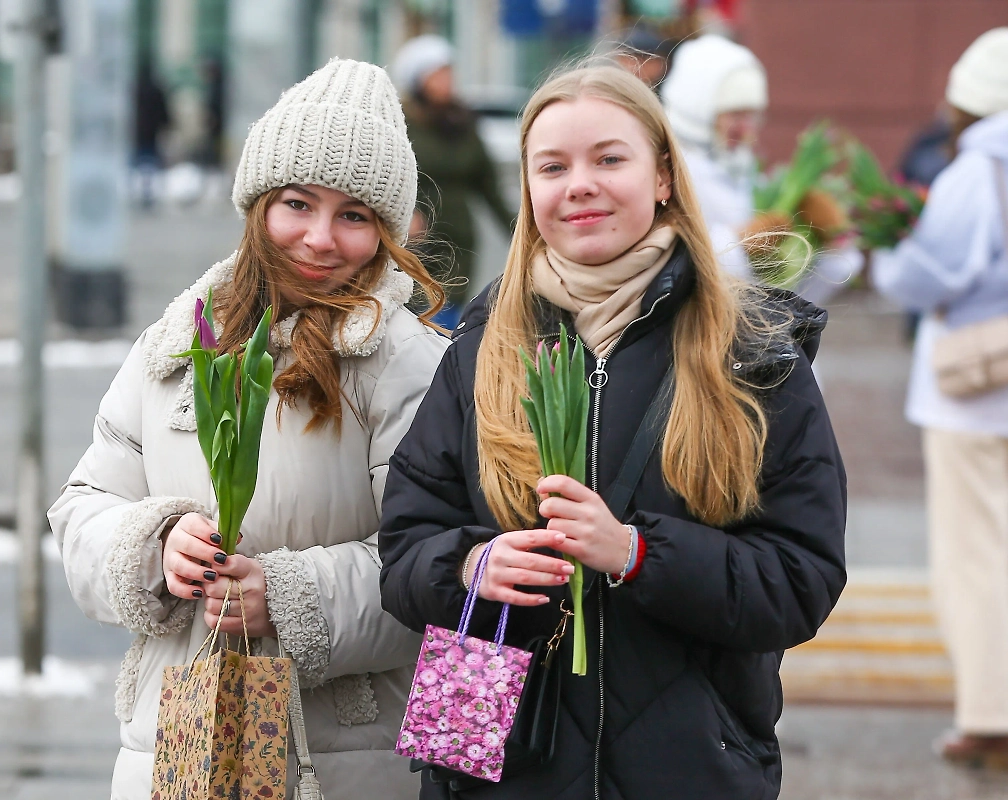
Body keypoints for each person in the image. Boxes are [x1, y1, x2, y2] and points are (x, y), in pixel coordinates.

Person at [379, 61, 847, 799]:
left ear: (663, 176)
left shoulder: (753, 355)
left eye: (609, 159)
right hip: (501, 771)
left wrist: (635, 553)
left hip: (692, 770)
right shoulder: (480, 350)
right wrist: (470, 565)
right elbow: (404, 550)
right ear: (530, 188)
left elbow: (801, 581)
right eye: (552, 166)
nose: (580, 185)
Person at [49, 59, 450, 799]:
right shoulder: (176, 342)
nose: (321, 238)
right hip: (177, 742)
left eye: (354, 215)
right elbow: (83, 505)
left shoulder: (410, 365)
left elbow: (440, 567)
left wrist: (293, 595)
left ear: (387, 231)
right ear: (258, 202)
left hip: (346, 757)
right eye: (298, 203)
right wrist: (156, 548)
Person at [871, 27, 1008, 770]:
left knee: (977, 554)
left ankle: (990, 714)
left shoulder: (978, 171)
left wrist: (893, 254)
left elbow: (933, 276)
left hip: (974, 388)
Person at [661, 34, 861, 306]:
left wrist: (834, 246)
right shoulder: (666, 172)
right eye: (734, 114)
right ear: (698, 109)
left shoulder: (744, 171)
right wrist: (736, 245)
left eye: (751, 115)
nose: (746, 129)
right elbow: (665, 268)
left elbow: (781, 299)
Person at [393, 35, 516, 330]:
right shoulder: (401, 122)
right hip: (417, 241)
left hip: (459, 240)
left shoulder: (462, 122)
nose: (447, 80)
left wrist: (520, 231)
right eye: (438, 73)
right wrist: (402, 213)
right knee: (416, 316)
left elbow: (488, 185)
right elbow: (386, 176)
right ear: (418, 80)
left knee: (451, 313)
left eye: (449, 72)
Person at [133, 58, 172, 210]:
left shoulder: (133, 89)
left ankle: (140, 192)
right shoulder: (156, 89)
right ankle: (147, 193)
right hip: (151, 131)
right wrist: (166, 124)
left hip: (136, 131)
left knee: (139, 161)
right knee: (150, 161)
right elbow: (163, 111)